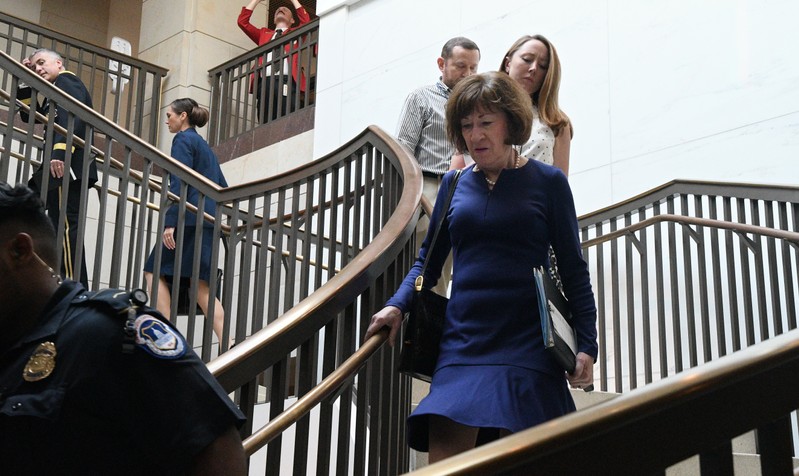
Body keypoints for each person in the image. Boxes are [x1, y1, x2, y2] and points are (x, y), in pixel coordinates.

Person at [366, 72, 597, 462]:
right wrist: (397, 304)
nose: (476, 135)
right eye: (467, 126)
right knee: (446, 464)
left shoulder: (549, 183)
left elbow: (574, 269)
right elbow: (427, 261)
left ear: (511, 123)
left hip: (529, 345)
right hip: (463, 344)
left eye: (486, 123)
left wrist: (587, 345)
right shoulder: (455, 184)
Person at [0, 182, 247, 475]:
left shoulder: (111, 331)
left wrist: (171, 225)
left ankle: (227, 338)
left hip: (190, 228)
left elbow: (219, 451)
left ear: (19, 250)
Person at [395, 36, 480, 296]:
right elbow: (403, 151)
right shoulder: (421, 98)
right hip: (428, 187)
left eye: (474, 68)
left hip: (465, 190)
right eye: (461, 66)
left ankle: (431, 328)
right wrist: (416, 197)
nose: (468, 74)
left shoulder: (477, 105)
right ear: (442, 64)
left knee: (445, 270)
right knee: (421, 263)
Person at [144, 98, 230, 347]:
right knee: (199, 284)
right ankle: (227, 342)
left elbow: (178, 180)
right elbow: (222, 186)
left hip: (189, 219)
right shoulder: (203, 145)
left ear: (183, 116)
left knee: (153, 270)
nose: (167, 120)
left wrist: (170, 221)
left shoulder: (182, 140)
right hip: (208, 220)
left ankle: (167, 338)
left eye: (170, 115)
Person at [18, 48, 97, 289]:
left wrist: (60, 154)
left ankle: (74, 287)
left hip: (65, 167)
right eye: (35, 65)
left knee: (65, 228)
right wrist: (25, 78)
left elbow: (71, 117)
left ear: (59, 63)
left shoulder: (67, 81)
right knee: (57, 226)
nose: (39, 68)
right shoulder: (54, 90)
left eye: (42, 63)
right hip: (58, 167)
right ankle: (66, 284)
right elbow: (28, 115)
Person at [238, 0, 312, 123]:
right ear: (273, 20)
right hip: (266, 82)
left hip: (286, 80)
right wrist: (256, 1)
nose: (280, 9)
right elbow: (242, 22)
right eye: (277, 10)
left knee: (288, 116)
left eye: (285, 10)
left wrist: (294, 1)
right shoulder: (264, 34)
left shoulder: (296, 33)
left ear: (292, 21)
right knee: (265, 117)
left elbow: (306, 21)